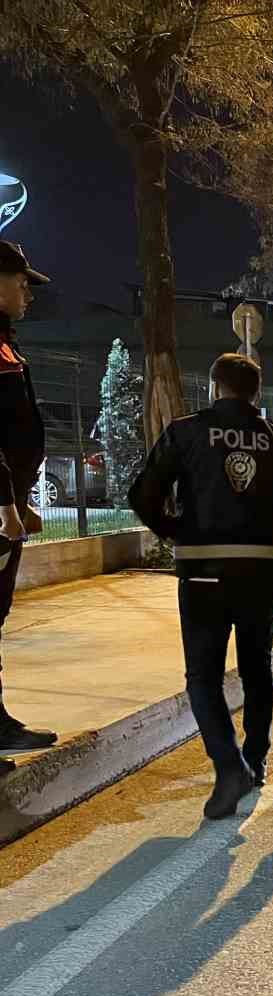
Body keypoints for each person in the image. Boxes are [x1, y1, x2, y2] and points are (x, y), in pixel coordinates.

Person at [129, 353, 273, 819]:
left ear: (215, 387)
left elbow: (141, 494)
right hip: (262, 570)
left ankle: (228, 764)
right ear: (256, 393)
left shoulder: (186, 431)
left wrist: (176, 529)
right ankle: (254, 760)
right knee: (257, 667)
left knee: (203, 676)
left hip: (203, 569)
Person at [0, 241, 55, 755]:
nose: (28, 295)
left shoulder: (5, 343)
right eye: (21, 284)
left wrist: (22, 496)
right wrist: (5, 503)